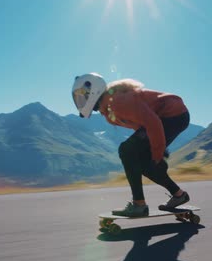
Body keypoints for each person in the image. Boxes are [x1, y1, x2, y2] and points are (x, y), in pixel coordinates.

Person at [72, 72, 190, 217]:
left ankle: (139, 205)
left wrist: (158, 152)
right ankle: (179, 195)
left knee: (126, 150)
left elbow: (152, 122)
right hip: (169, 118)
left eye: (81, 96)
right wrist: (152, 149)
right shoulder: (109, 110)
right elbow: (140, 124)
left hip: (173, 114)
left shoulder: (118, 102)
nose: (80, 100)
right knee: (144, 164)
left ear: (92, 91)